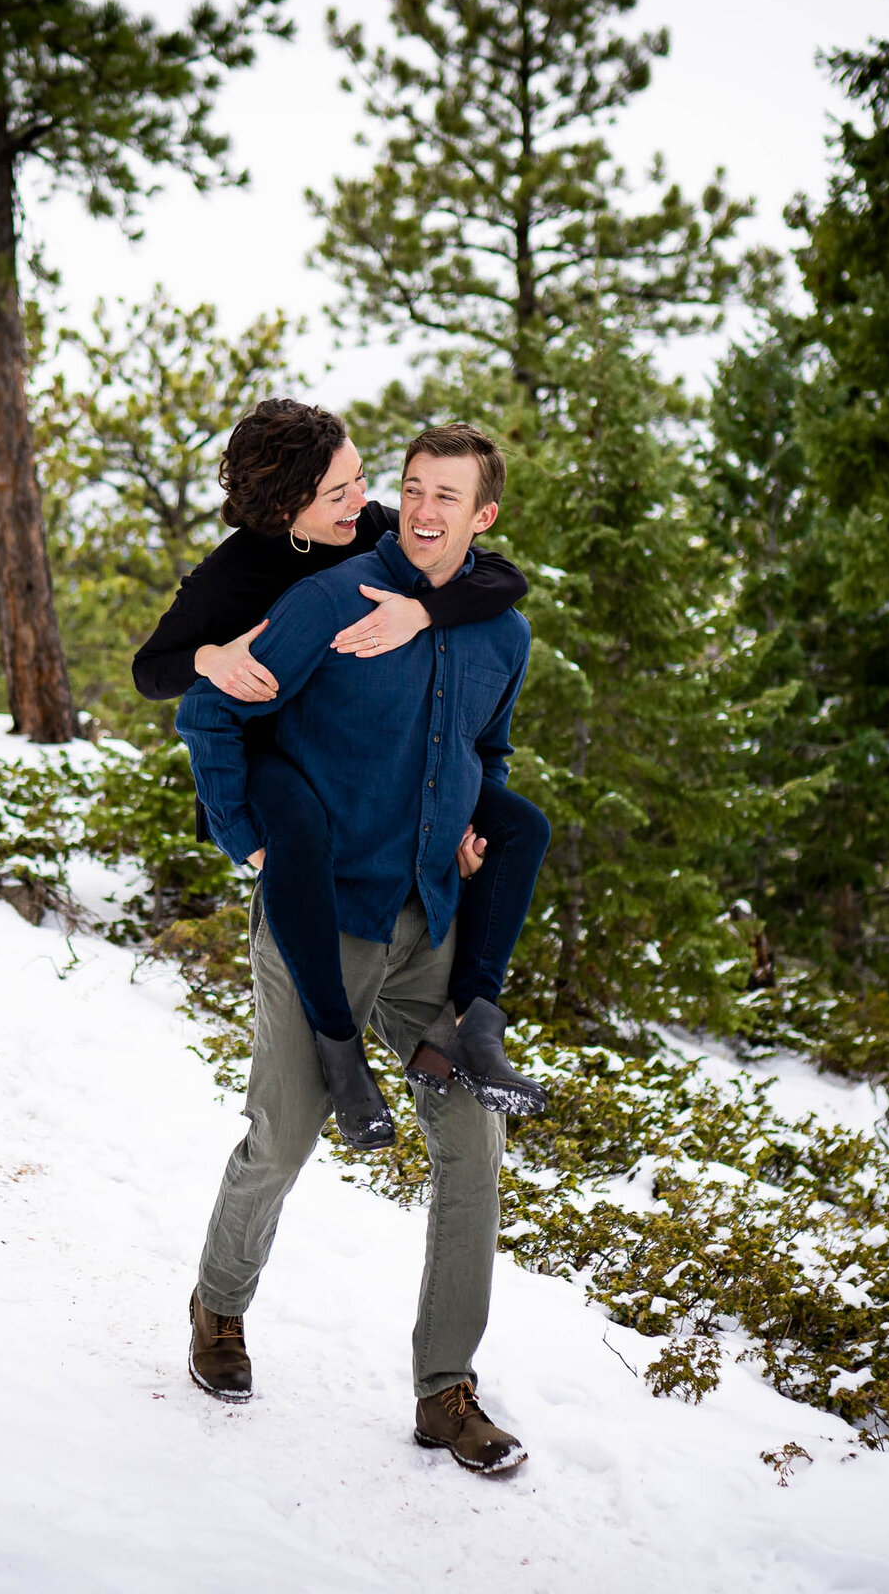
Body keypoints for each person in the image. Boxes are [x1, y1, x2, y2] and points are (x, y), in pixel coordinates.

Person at [176, 423, 535, 1476]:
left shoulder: (499, 635)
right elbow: (208, 709)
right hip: (319, 917)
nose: (422, 510)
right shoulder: (330, 602)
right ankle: (219, 1304)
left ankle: (444, 1389)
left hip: (430, 923)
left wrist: (480, 815)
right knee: (284, 1137)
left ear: (484, 518)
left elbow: (488, 750)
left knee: (471, 1145)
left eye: (447, 496)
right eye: (411, 488)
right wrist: (243, 834)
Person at [133, 401, 551, 1144]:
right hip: (267, 752)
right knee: (298, 829)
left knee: (520, 823)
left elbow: (500, 579)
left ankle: (478, 1015)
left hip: (354, 753)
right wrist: (209, 659)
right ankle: (336, 1041)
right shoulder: (234, 579)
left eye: (363, 481)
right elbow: (154, 674)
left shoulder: (375, 526)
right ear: (292, 507)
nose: (367, 503)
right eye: (342, 493)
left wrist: (424, 615)